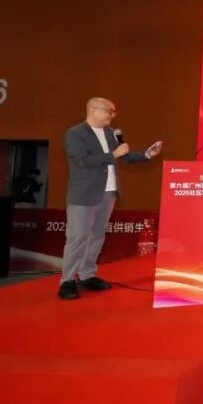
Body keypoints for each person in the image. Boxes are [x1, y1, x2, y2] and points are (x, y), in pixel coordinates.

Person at [60, 97, 162, 300]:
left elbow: (124, 156)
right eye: (109, 111)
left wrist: (147, 155)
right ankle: (68, 280)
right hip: (84, 194)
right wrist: (112, 155)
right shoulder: (75, 133)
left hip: (108, 194)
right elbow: (81, 160)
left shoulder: (110, 133)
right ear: (93, 110)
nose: (112, 115)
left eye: (113, 112)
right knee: (78, 237)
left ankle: (87, 275)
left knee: (97, 236)